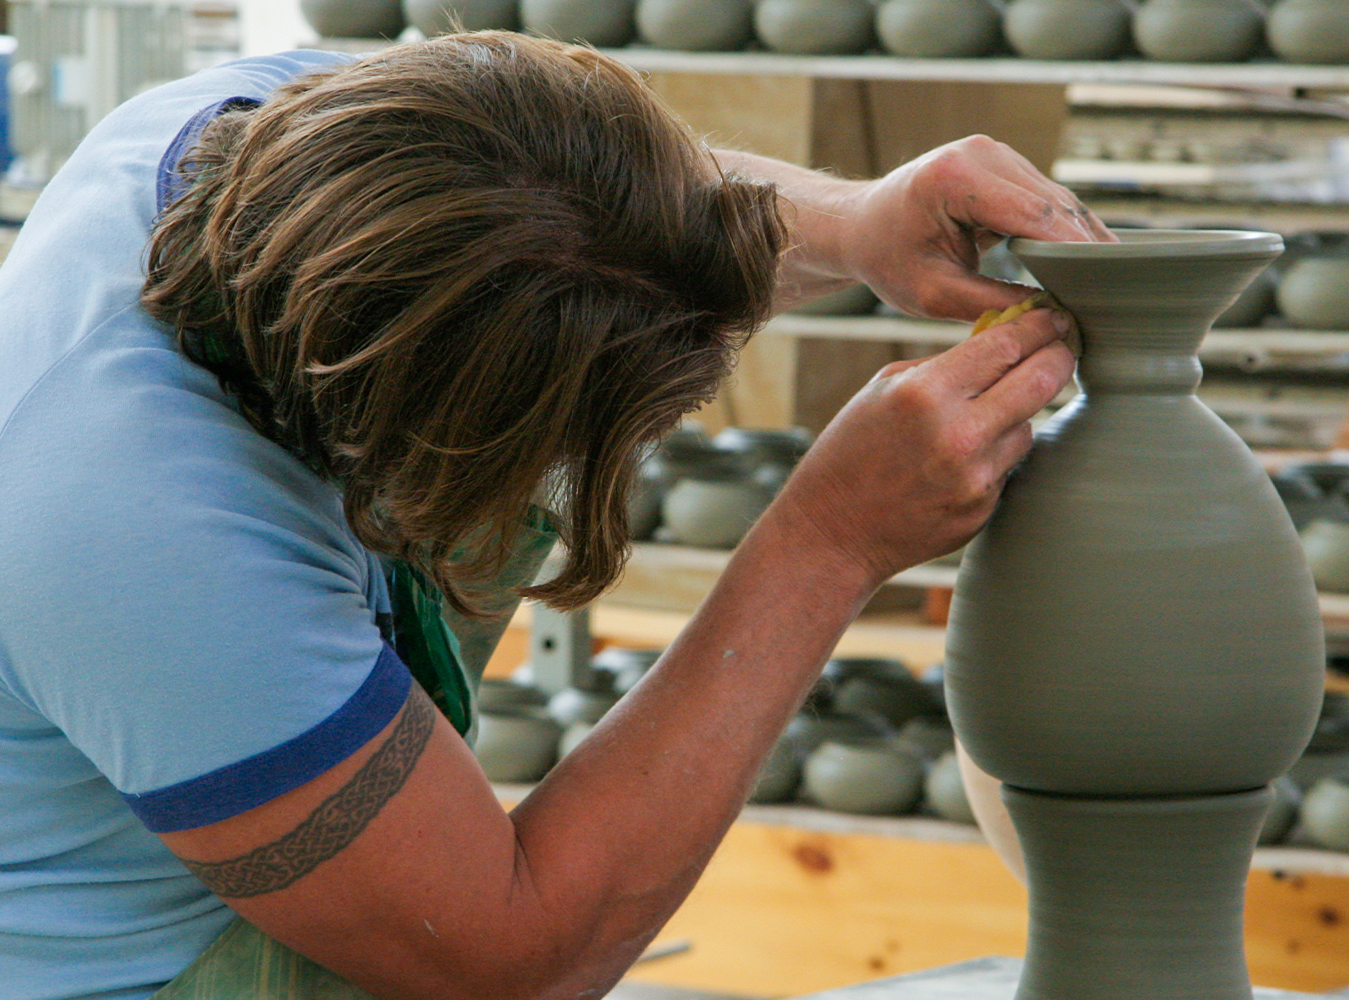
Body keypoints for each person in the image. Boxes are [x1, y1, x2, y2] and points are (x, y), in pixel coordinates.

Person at [0, 31, 1107, 1000]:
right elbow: (511, 959)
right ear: (432, 439)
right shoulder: (158, 547)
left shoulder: (306, 123)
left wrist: (855, 221)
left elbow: (580, 206)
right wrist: (829, 542)